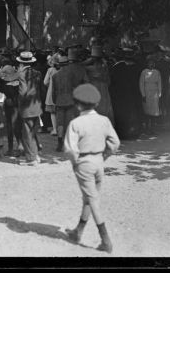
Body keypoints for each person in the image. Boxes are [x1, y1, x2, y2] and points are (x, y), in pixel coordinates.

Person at [64, 83, 120, 254]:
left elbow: (70, 149)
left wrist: (76, 163)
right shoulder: (104, 120)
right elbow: (115, 143)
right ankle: (78, 232)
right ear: (96, 103)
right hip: (99, 161)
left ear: (78, 104)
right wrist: (104, 156)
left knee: (92, 200)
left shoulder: (76, 123)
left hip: (84, 162)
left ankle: (106, 240)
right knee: (89, 198)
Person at [52, 49, 88, 152]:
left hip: (59, 101)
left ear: (59, 65)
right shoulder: (72, 74)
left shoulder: (55, 76)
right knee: (69, 122)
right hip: (71, 100)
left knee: (60, 123)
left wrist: (55, 101)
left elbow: (53, 92)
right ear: (67, 64)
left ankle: (60, 143)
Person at [110, 48, 143, 140]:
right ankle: (132, 133)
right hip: (131, 94)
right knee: (130, 113)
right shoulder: (132, 67)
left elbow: (112, 82)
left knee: (121, 113)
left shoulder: (116, 68)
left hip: (120, 95)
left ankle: (122, 134)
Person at [16, 51, 43, 165]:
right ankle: (35, 155)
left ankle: (31, 158)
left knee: (27, 132)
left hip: (26, 106)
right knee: (33, 131)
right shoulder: (37, 73)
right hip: (37, 105)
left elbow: (23, 92)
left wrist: (19, 103)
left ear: (21, 62)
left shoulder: (22, 74)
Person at [0, 55, 22, 157]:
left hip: (9, 105)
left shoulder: (4, 82)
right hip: (18, 104)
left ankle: (11, 149)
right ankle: (21, 146)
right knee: (18, 126)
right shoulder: (18, 80)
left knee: (10, 127)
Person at [84, 46, 114, 123]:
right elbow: (108, 80)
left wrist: (89, 60)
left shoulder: (89, 68)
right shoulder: (104, 67)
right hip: (103, 88)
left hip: (93, 87)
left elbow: (80, 65)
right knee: (104, 106)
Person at [139, 56, 162, 135]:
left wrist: (159, 94)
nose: (151, 65)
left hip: (154, 93)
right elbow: (141, 83)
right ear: (147, 64)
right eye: (150, 63)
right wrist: (143, 94)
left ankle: (152, 128)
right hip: (147, 92)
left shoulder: (157, 72)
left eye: (153, 63)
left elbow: (159, 83)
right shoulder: (144, 72)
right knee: (147, 111)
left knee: (154, 111)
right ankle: (146, 128)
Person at [43, 54, 59, 136]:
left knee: (52, 112)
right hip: (61, 93)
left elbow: (45, 82)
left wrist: (50, 85)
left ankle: (55, 129)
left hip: (51, 92)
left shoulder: (50, 70)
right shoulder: (63, 69)